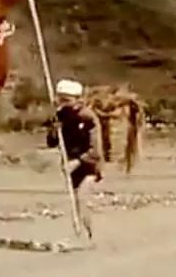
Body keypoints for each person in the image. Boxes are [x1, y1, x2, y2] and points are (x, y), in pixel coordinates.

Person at [46, 79, 102, 240]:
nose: (63, 103)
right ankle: (80, 234)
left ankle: (91, 236)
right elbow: (52, 142)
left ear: (78, 99)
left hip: (89, 166)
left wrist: (77, 162)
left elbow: (95, 151)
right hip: (71, 165)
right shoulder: (60, 116)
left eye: (67, 100)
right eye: (60, 99)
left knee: (82, 199)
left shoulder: (88, 118)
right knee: (75, 202)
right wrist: (54, 130)